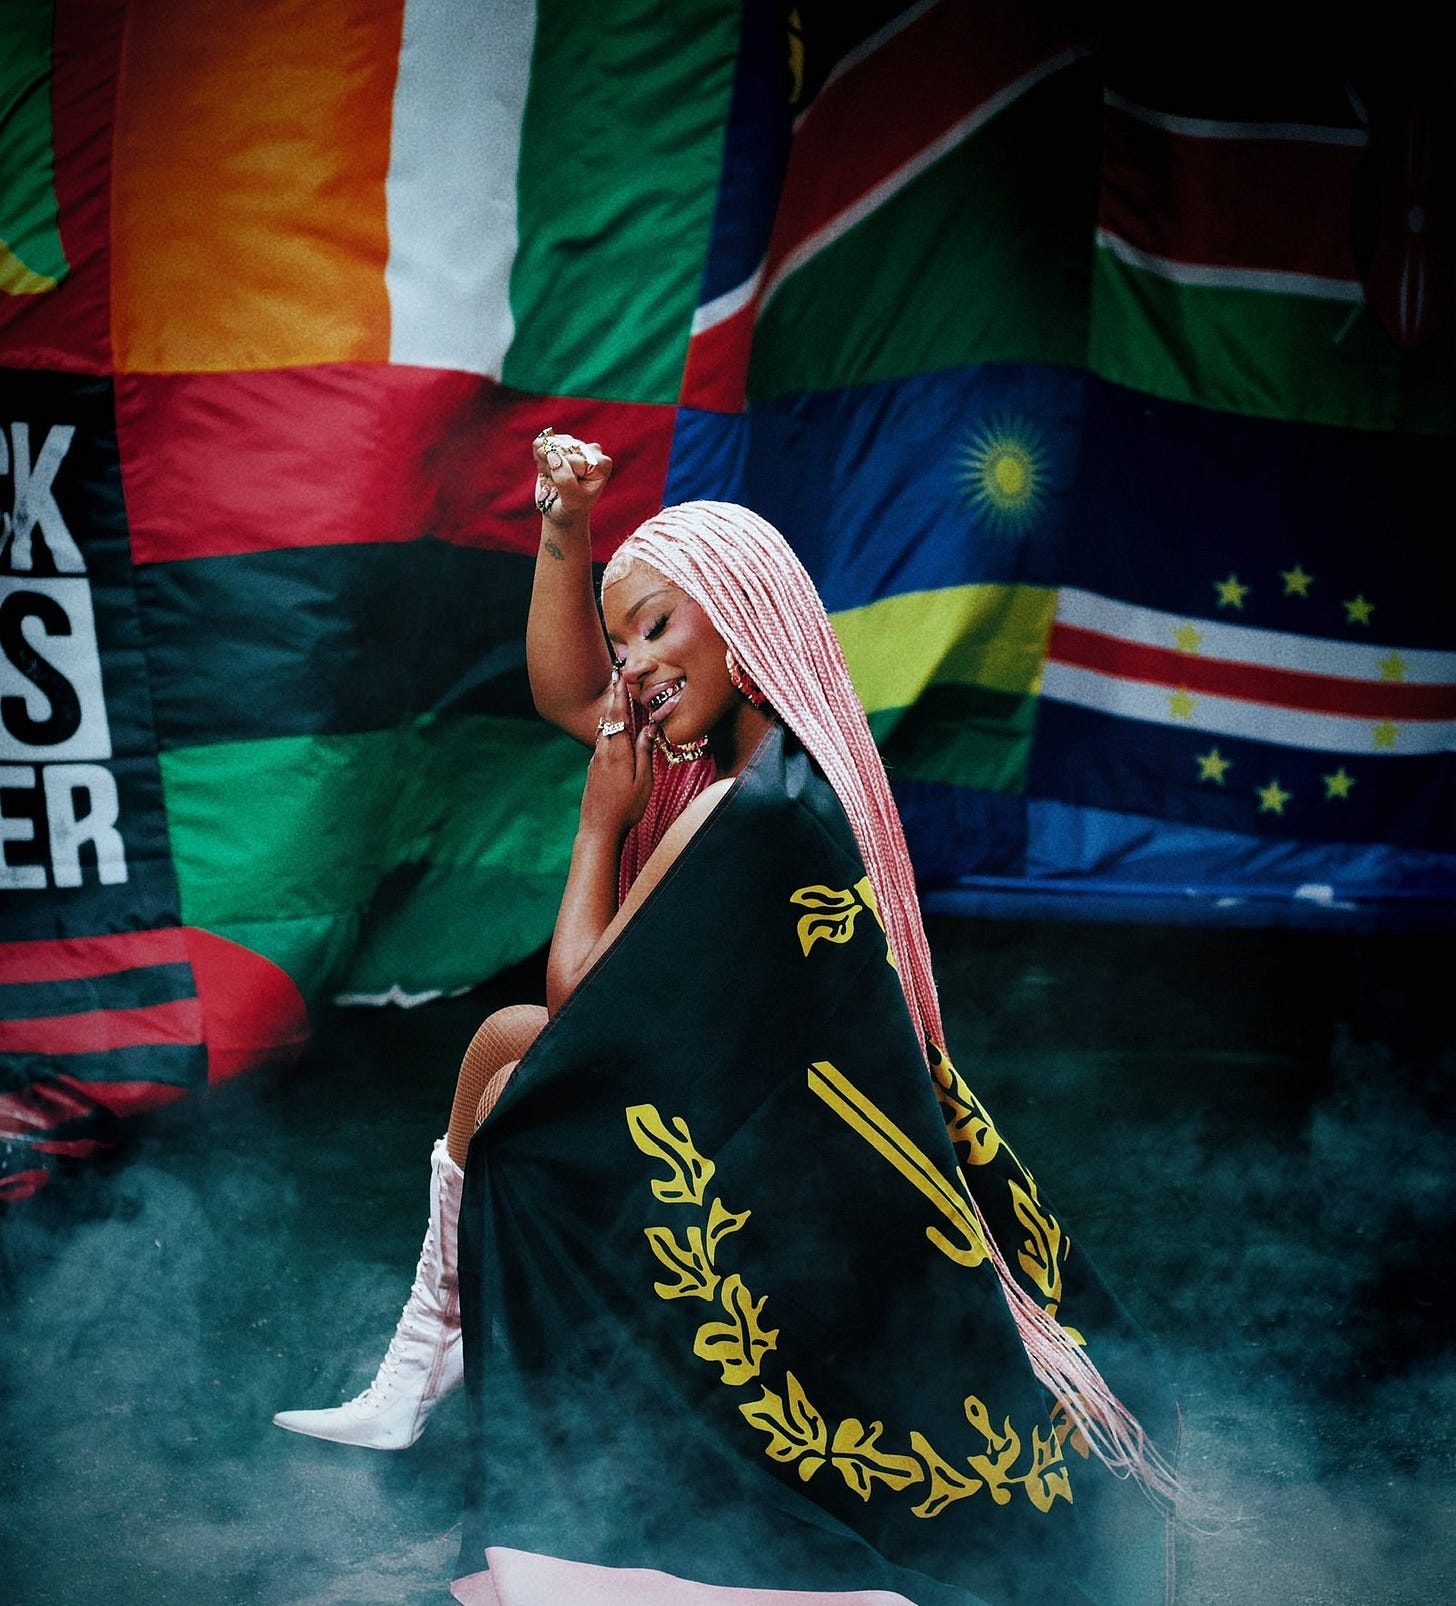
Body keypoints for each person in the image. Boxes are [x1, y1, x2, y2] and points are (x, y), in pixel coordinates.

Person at [276, 433, 1179, 1601]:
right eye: (625, 640)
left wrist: (599, 827)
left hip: (786, 1195)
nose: (635, 668)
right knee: (501, 1052)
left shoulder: (732, 815)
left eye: (659, 628)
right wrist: (565, 524)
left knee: (517, 1084)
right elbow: (567, 692)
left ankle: (429, 1355)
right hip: (779, 1139)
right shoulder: (785, 764)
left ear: (743, 621)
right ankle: (425, 1350)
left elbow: (583, 1002)